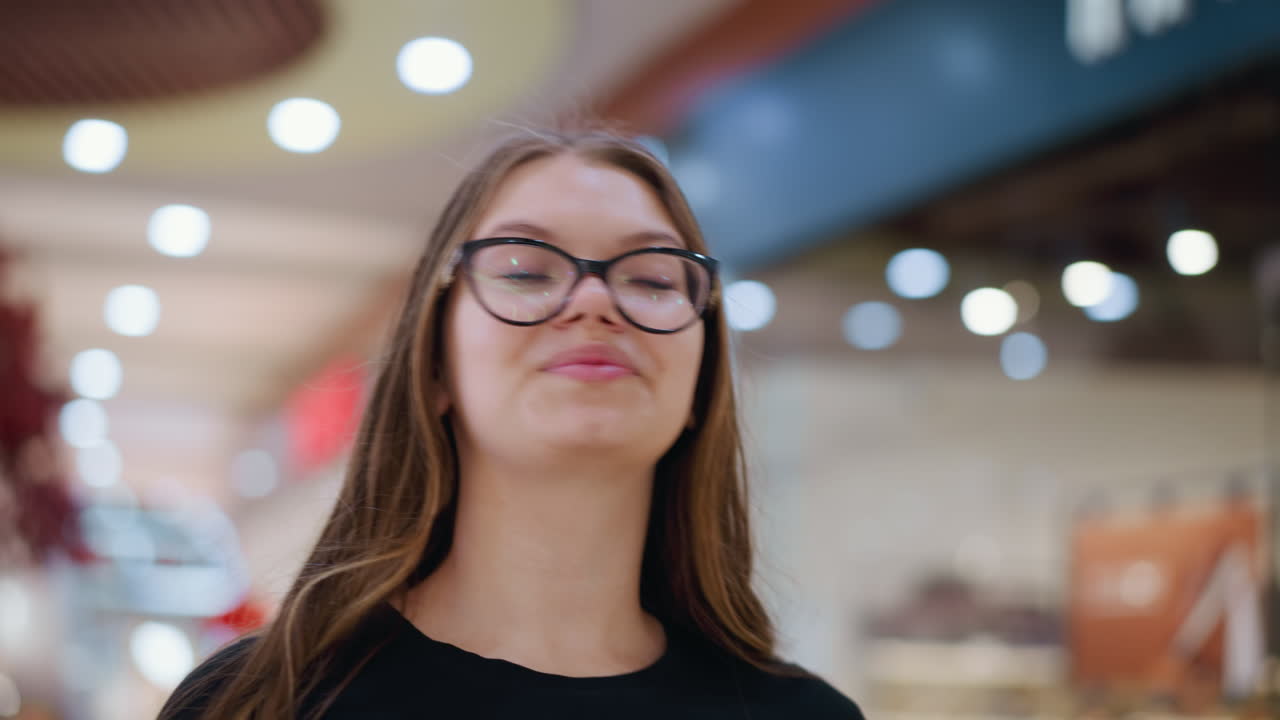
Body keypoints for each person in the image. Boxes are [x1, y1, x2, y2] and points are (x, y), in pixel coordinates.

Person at [159, 129, 864, 719]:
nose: (594, 301)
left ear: (700, 380)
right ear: (434, 365)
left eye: (651, 279)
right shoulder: (257, 703)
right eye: (526, 270)